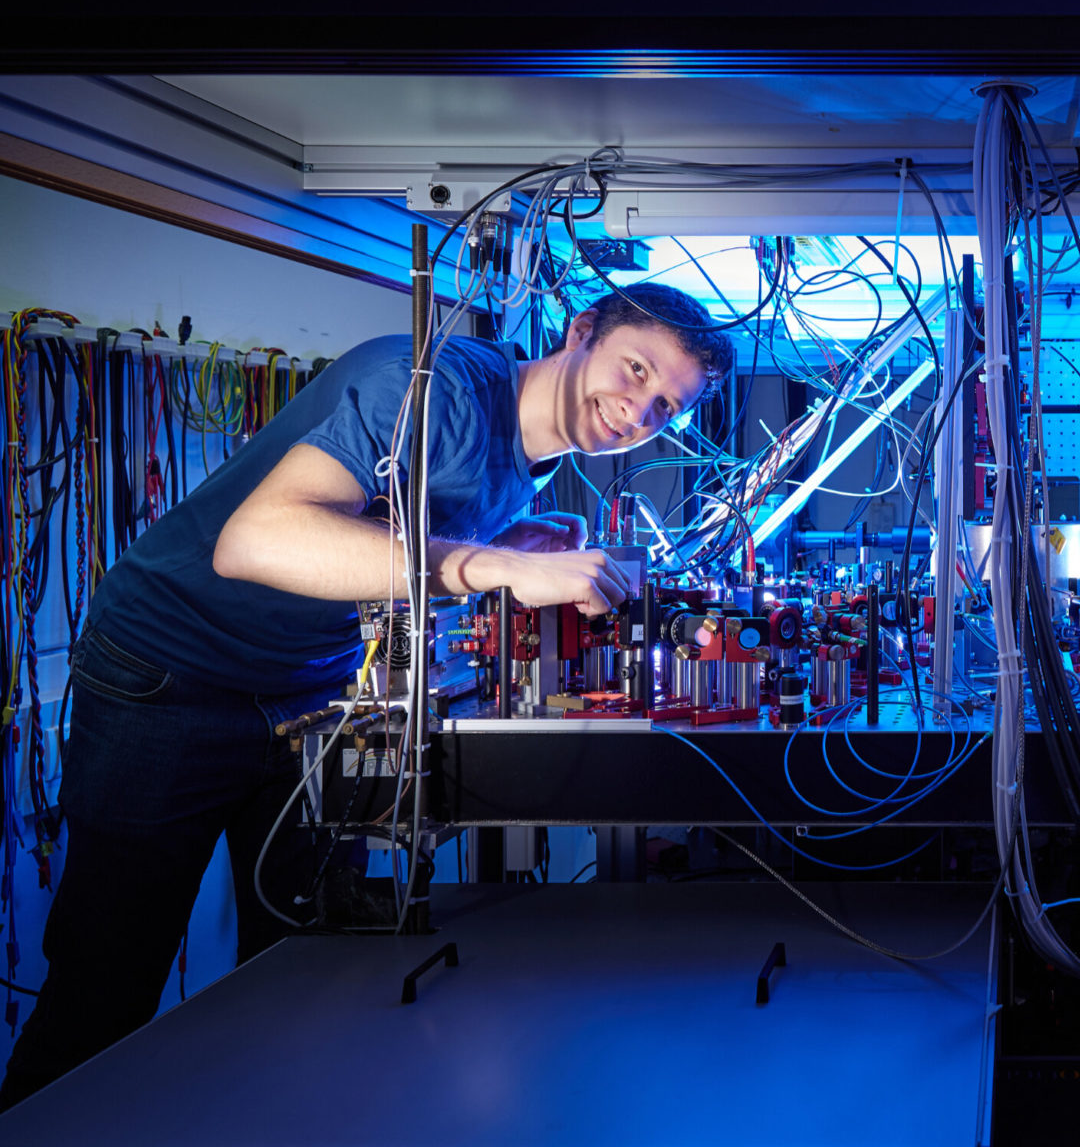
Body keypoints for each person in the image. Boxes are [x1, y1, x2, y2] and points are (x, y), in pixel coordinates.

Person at [0, 285, 733, 1109]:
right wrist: (496, 566)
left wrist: (504, 541)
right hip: (168, 675)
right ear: (581, 331)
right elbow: (258, 541)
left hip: (309, 696)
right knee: (106, 987)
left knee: (308, 969)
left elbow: (393, 543)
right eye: (635, 370)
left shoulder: (533, 463)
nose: (638, 410)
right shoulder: (427, 384)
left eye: (666, 405)